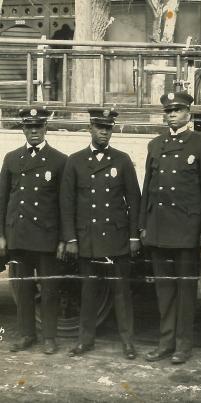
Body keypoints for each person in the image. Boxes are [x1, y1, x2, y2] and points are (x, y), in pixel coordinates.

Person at [139, 91, 201, 364]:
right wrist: (143, 225)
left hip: (186, 230)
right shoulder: (155, 145)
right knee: (164, 291)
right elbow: (147, 188)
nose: (172, 114)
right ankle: (165, 342)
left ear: (188, 114)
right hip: (159, 229)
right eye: (169, 110)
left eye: (178, 110)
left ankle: (183, 345)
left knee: (184, 292)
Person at [61, 108, 140, 359]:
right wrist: (71, 238)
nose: (104, 133)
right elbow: (67, 203)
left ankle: (128, 342)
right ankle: (86, 340)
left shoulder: (122, 160)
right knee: (88, 291)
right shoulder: (75, 161)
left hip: (116, 238)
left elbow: (134, 200)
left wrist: (134, 236)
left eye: (108, 128)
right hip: (88, 239)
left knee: (121, 293)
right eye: (99, 128)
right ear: (90, 129)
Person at [0, 107, 66, 354]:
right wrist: (2, 235)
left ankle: (49, 337)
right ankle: (27, 335)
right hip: (19, 236)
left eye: (38, 127)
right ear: (24, 130)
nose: (34, 131)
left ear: (45, 128)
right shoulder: (12, 158)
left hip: (47, 237)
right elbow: (3, 199)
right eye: (29, 127)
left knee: (50, 290)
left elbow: (64, 204)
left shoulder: (59, 160)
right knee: (23, 289)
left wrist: (62, 239)